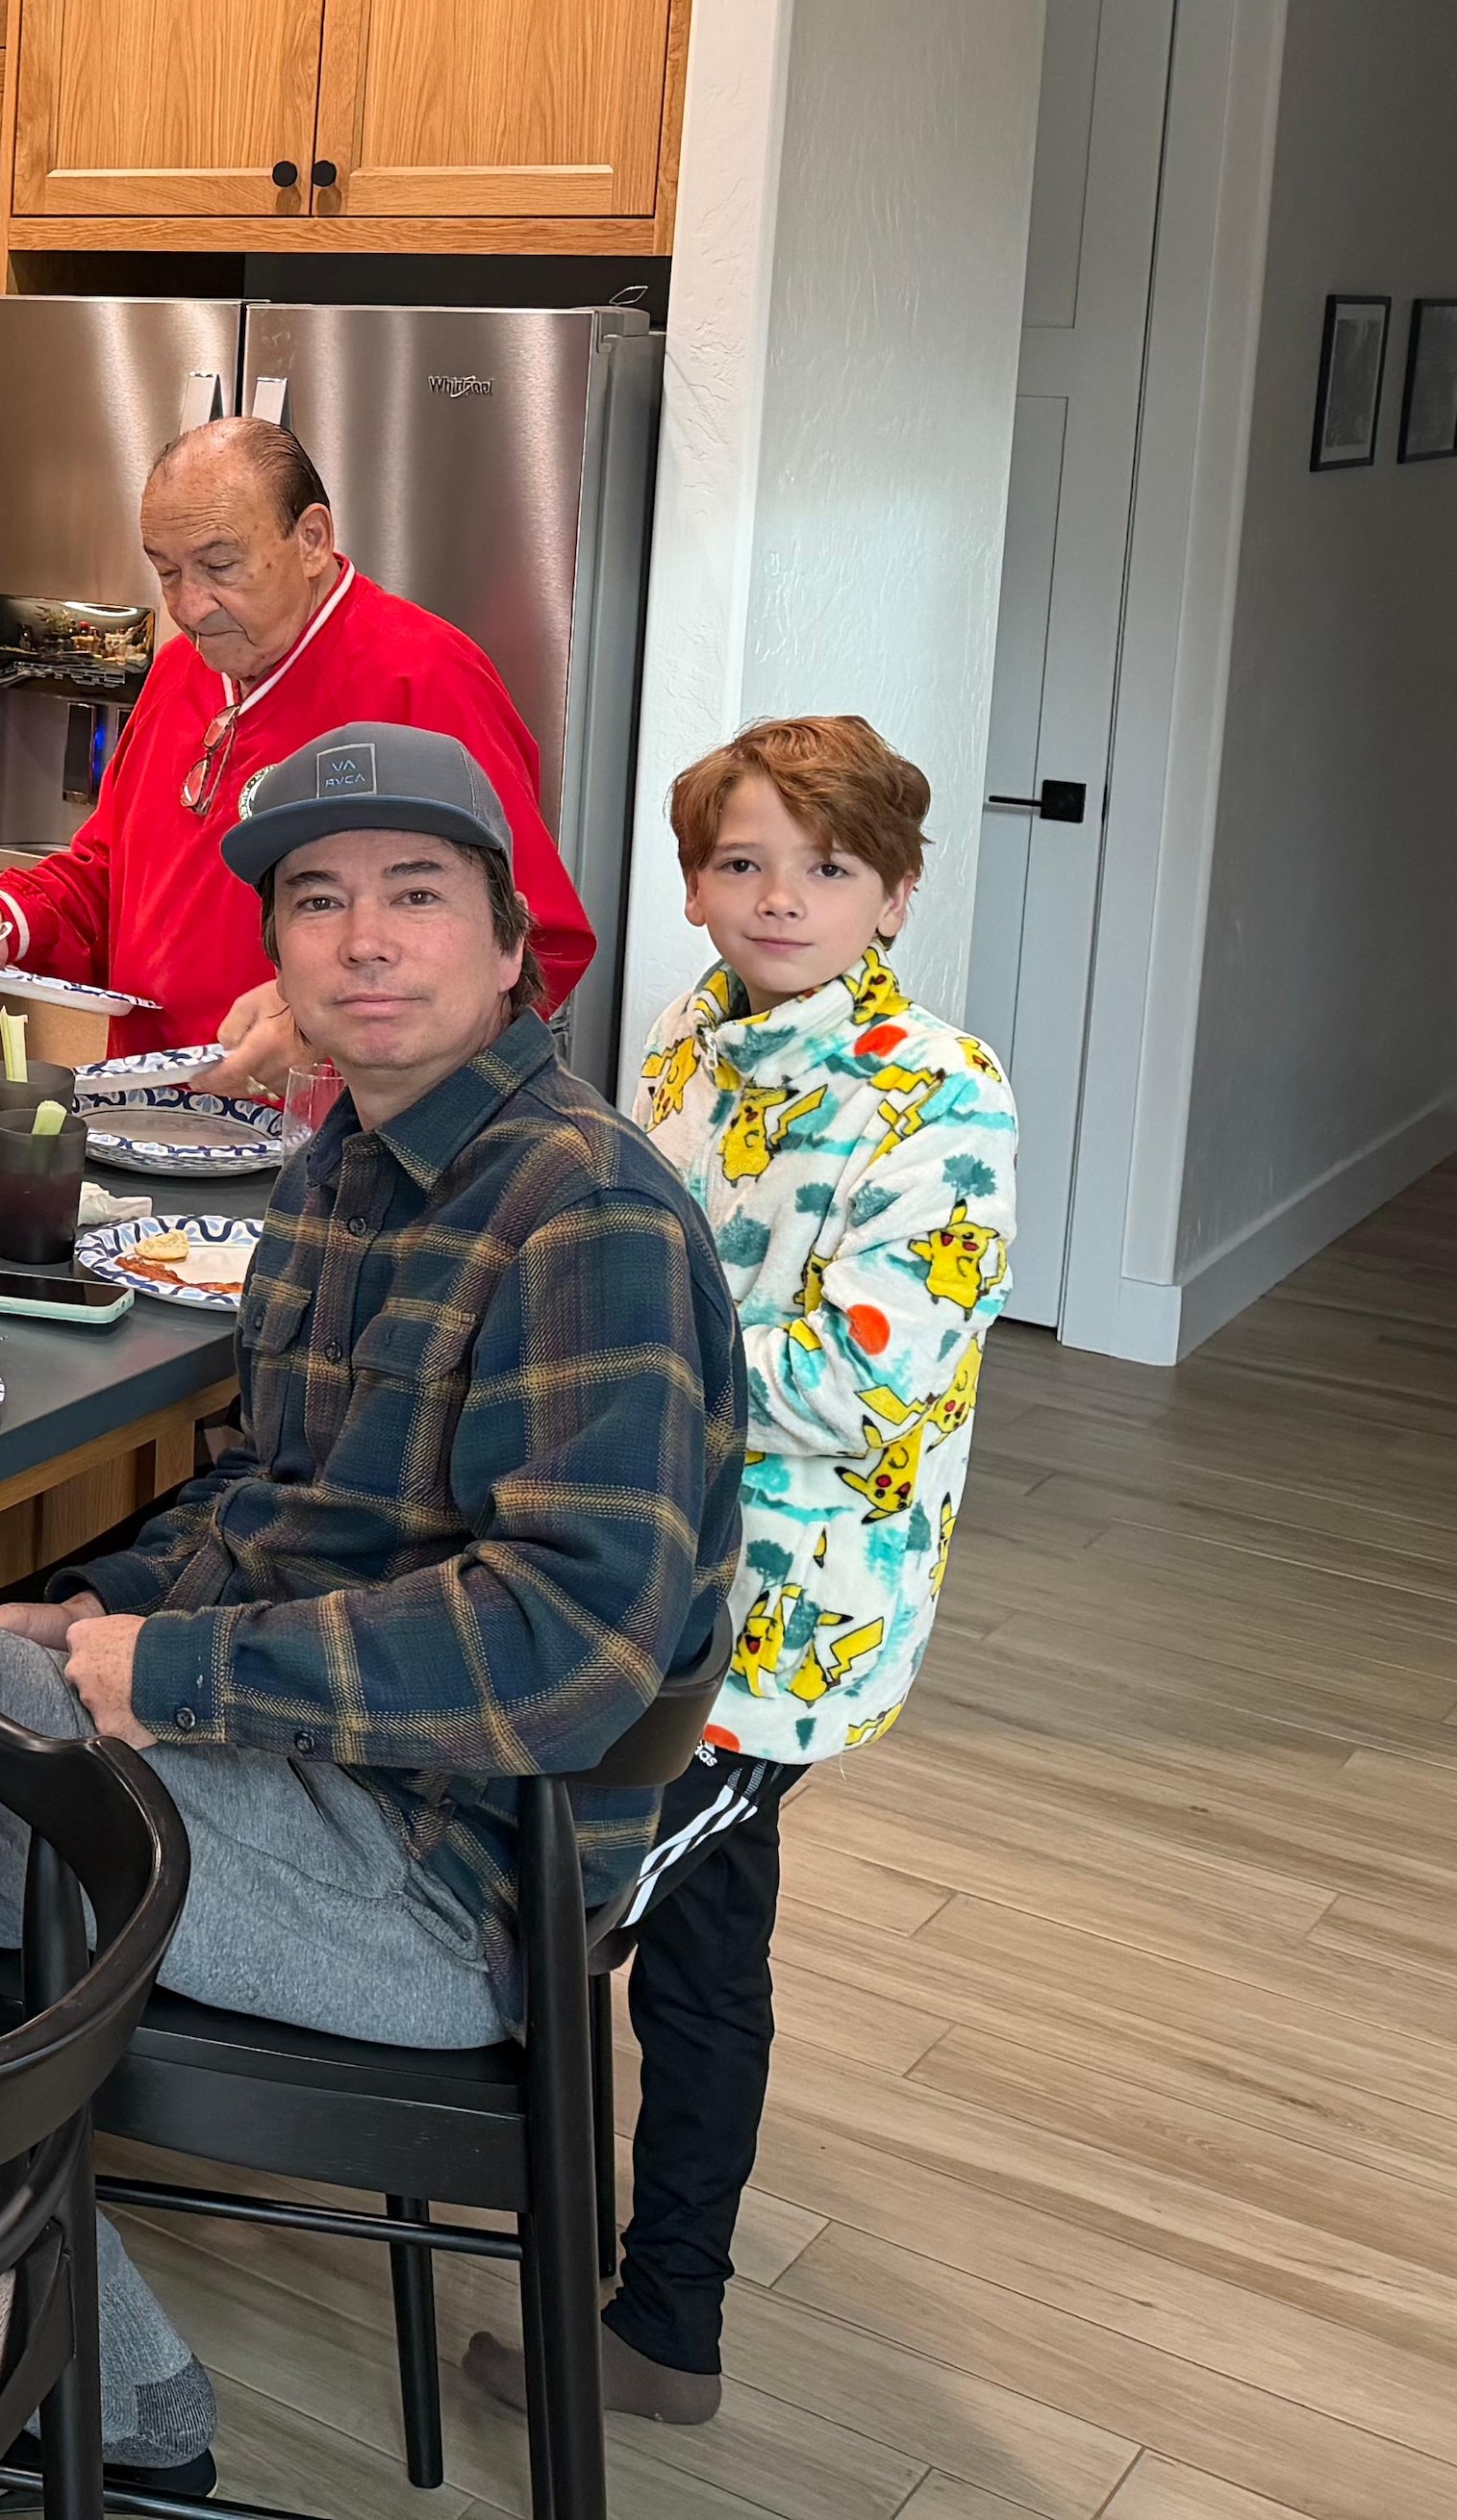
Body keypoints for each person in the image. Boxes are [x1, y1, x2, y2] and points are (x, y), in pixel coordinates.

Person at [0, 721, 741, 2483]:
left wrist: (171, 1674)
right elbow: (270, 1507)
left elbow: (567, 1653)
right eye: (317, 901)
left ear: (514, 947)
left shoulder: (584, 1215)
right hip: (298, 1797)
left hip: (438, 1890)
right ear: (274, 952)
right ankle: (132, 2412)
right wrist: (89, 1617)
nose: (363, 939)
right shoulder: (358, 1167)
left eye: (417, 897)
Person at [464, 715, 1013, 2432]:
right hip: (649, 1564)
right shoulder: (695, 1044)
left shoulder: (946, 1098)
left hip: (785, 1611)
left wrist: (600, 1348)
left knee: (584, 1930)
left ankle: (647, 2318)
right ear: (694, 887)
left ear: (898, 895)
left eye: (828, 867)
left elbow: (861, 1383)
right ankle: (664, 2328)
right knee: (704, 1948)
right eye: (741, 862)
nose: (781, 897)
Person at [0, 416, 590, 1096]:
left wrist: (315, 1028)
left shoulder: (426, 678)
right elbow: (111, 873)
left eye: (219, 565)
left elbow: (539, 942)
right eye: (167, 571)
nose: (189, 605)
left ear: (313, 540)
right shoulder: (181, 673)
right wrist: (4, 920)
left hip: (337, 1145)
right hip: (156, 1116)